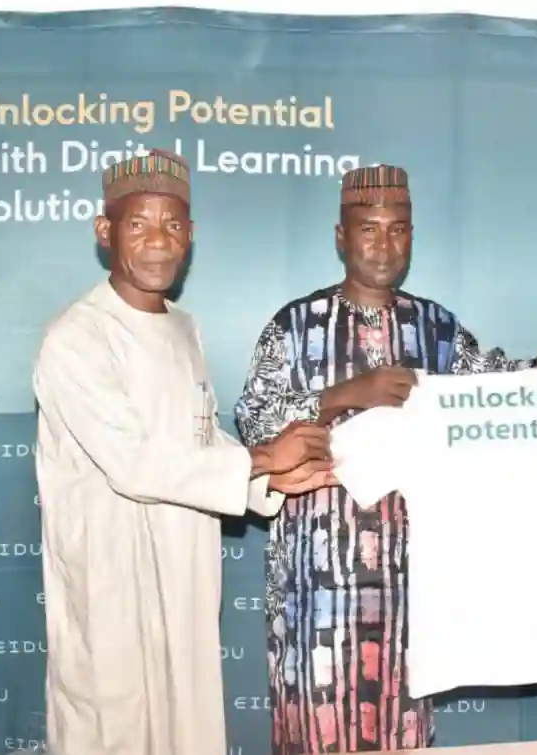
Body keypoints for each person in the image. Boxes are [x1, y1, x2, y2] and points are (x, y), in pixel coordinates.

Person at [234, 164, 537, 754]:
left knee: (401, 727)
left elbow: (494, 388)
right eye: (369, 229)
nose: (384, 245)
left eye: (398, 229)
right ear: (341, 237)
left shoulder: (436, 327)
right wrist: (344, 394)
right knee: (316, 730)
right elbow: (253, 420)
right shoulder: (295, 325)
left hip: (412, 579)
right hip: (314, 579)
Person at [32, 149, 335, 755]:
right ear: (105, 231)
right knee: (114, 729)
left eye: (172, 225)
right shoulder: (75, 337)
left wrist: (269, 481)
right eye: (138, 224)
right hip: (111, 578)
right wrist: (261, 460)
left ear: (190, 236)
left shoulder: (184, 326)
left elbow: (198, 438)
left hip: (185, 566)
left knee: (186, 726)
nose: (158, 242)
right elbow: (132, 462)